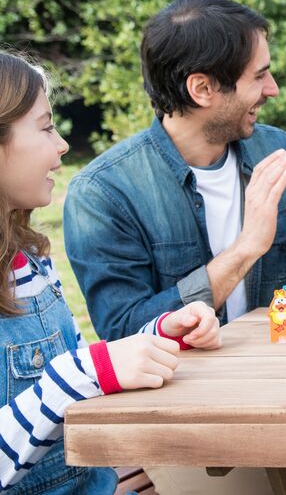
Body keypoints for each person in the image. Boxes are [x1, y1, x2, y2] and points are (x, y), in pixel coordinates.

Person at [63, 0, 286, 343]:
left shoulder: (278, 150)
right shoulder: (104, 194)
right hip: (183, 395)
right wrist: (246, 247)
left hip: (283, 383)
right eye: (259, 76)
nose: (274, 89)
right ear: (202, 88)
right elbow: (124, 332)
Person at [0, 51, 221, 493]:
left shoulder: (30, 262)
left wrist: (156, 338)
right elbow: (74, 377)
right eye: (45, 127)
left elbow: (76, 370)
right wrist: (89, 372)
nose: (62, 144)